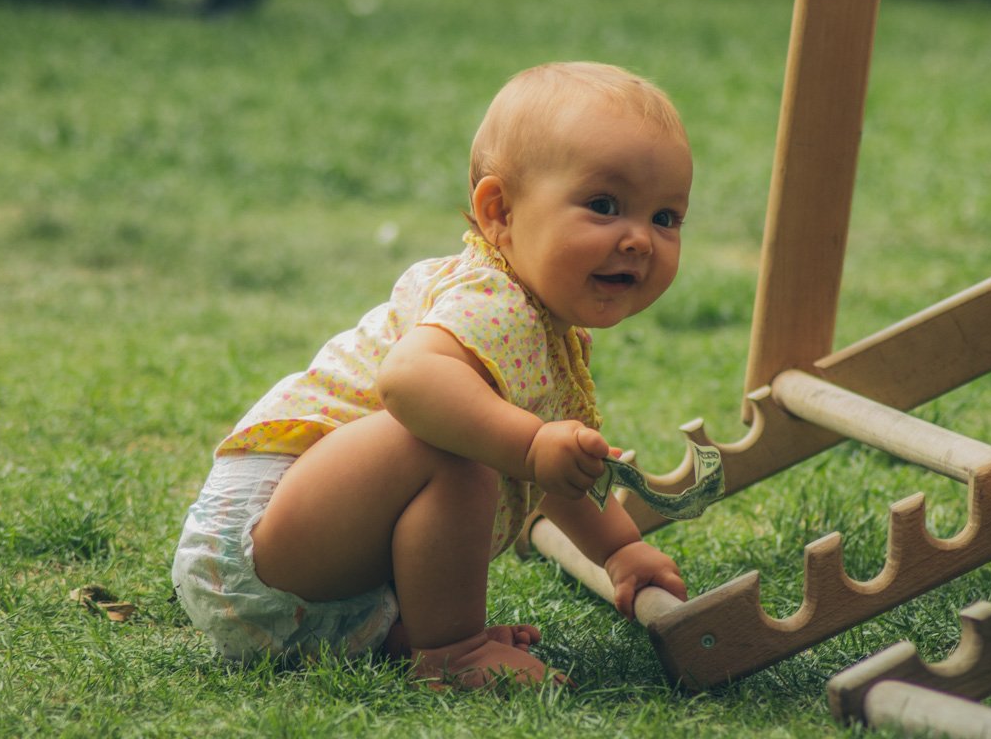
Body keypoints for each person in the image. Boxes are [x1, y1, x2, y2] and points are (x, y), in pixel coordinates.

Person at [172, 61, 693, 688]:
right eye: (604, 205)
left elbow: (562, 476)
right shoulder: (490, 298)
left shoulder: (549, 331)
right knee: (453, 440)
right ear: (499, 212)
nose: (640, 239)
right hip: (259, 549)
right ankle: (452, 651)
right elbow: (409, 382)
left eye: (666, 217)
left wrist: (620, 550)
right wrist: (529, 444)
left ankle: (403, 631)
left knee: (486, 438)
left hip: (326, 566)